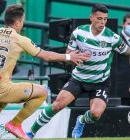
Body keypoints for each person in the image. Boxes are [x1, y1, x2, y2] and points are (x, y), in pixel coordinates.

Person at [26, 4, 130, 139]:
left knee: (96, 114)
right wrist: (75, 58)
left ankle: (81, 120)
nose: (102, 22)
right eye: (99, 18)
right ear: (91, 18)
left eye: (105, 19)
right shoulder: (78, 33)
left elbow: (128, 53)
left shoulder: (112, 37)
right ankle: (30, 133)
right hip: (79, 78)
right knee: (57, 105)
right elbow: (68, 56)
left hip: (100, 82)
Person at [0, 5, 88, 139]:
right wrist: (69, 56)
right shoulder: (20, 39)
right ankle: (15, 124)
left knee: (1, 102)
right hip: (1, 89)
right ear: (18, 23)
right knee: (42, 91)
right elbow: (47, 56)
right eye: (23, 21)